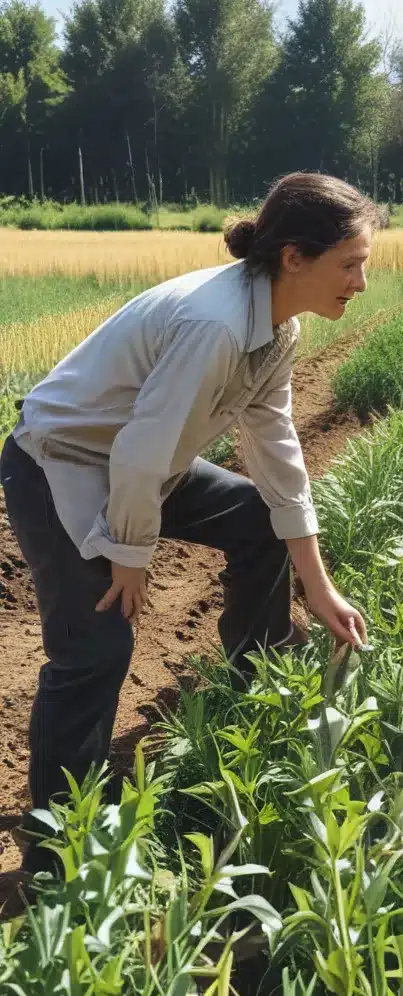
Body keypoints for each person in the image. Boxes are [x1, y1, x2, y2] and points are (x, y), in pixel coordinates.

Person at [0, 171, 374, 890]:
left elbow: (277, 451)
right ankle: (57, 854)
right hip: (60, 464)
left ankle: (253, 674)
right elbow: (140, 452)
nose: (361, 282)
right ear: (295, 256)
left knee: (258, 521)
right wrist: (129, 556)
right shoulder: (216, 324)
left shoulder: (277, 327)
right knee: (96, 647)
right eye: (350, 264)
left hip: (143, 464)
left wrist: (316, 584)